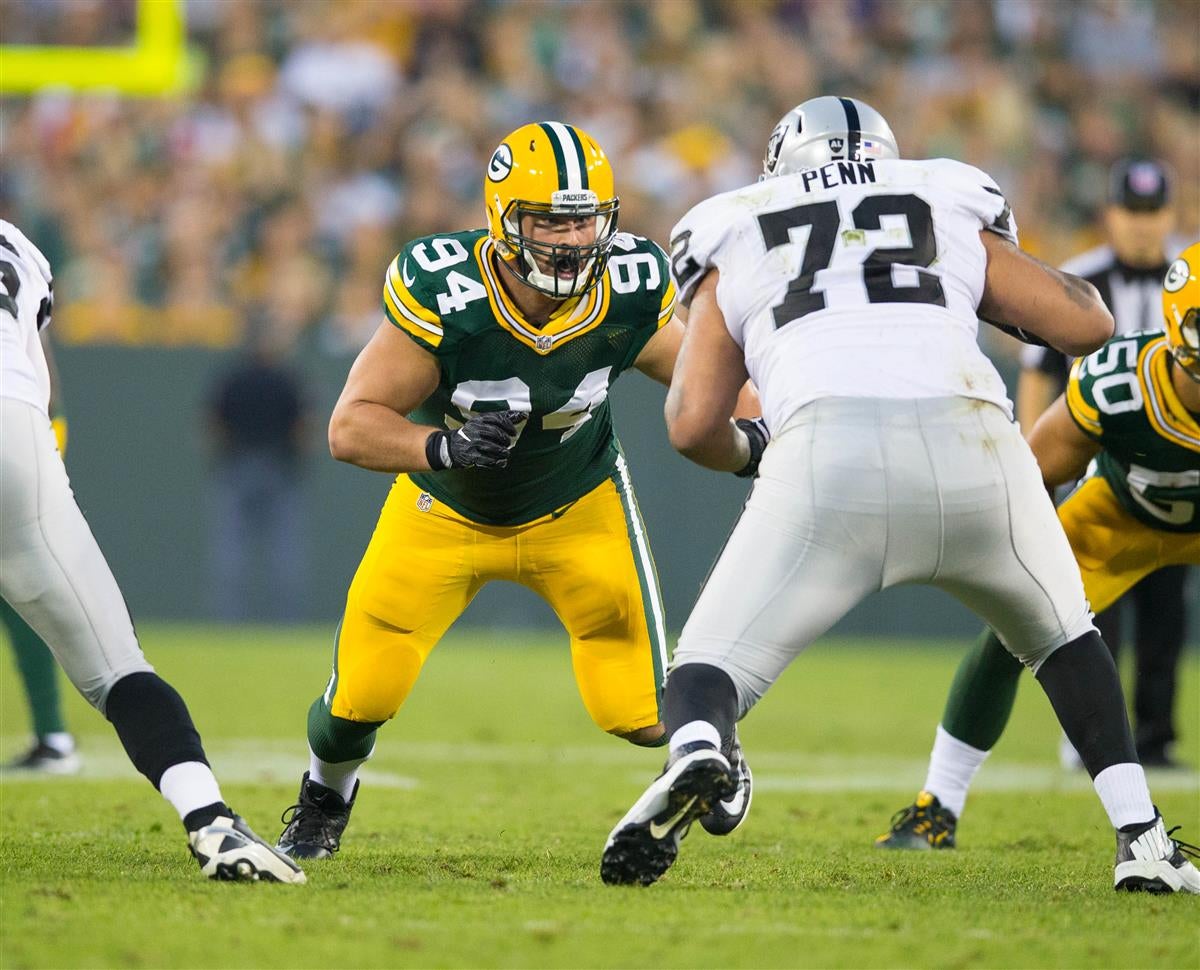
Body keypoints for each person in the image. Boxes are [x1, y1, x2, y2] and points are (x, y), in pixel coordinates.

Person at [598, 97, 1199, 895]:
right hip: (974, 441)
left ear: (783, 164)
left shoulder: (735, 221)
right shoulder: (942, 191)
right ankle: (1140, 839)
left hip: (825, 453)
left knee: (705, 669)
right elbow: (1083, 324)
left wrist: (752, 451)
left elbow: (690, 423)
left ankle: (704, 745)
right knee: (1062, 638)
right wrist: (992, 286)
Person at [275, 122, 760, 860]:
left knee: (640, 714)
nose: (570, 239)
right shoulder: (448, 289)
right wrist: (441, 447)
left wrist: (766, 428)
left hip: (579, 506)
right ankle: (322, 800)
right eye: (549, 221)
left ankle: (707, 742)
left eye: (583, 218)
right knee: (358, 701)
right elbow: (350, 427)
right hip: (444, 508)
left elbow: (708, 378)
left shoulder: (630, 286)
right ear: (504, 220)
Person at [0, 220, 304, 885]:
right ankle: (210, 821)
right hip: (13, 431)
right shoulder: (19, 246)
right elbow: (38, 383)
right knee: (116, 669)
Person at [878, 242, 1200, 853]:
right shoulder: (1122, 384)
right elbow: (1033, 474)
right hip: (1118, 522)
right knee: (1012, 629)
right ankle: (937, 806)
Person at [1017, 159, 1191, 769]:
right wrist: (1029, 457)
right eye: (1131, 212)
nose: (1143, 226)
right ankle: (1091, 733)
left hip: (1173, 464)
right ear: (1109, 216)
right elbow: (1039, 373)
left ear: (1170, 215)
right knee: (1090, 607)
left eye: (1153, 213)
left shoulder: (1189, 276)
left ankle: (1156, 736)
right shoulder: (1082, 278)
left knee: (1167, 609)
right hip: (1093, 459)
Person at [2, 336, 79, 774]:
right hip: (26, 429)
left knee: (22, 591)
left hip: (25, 430)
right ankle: (53, 736)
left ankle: (54, 737)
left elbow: (38, 354)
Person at [206, 326, 310, 623]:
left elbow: (213, 425)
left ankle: (229, 621)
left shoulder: (231, 379)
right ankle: (286, 622)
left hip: (238, 467)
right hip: (277, 468)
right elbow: (303, 429)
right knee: (283, 551)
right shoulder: (287, 379)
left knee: (232, 549)